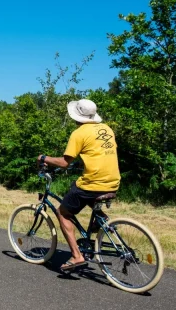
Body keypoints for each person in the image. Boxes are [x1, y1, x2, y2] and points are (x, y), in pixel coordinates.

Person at [37, 99, 120, 271]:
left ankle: (76, 256)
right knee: (82, 192)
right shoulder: (107, 129)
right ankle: (100, 218)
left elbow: (64, 162)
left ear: (76, 115)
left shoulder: (79, 133)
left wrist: (44, 158)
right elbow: (98, 154)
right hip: (113, 181)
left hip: (93, 183)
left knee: (63, 212)